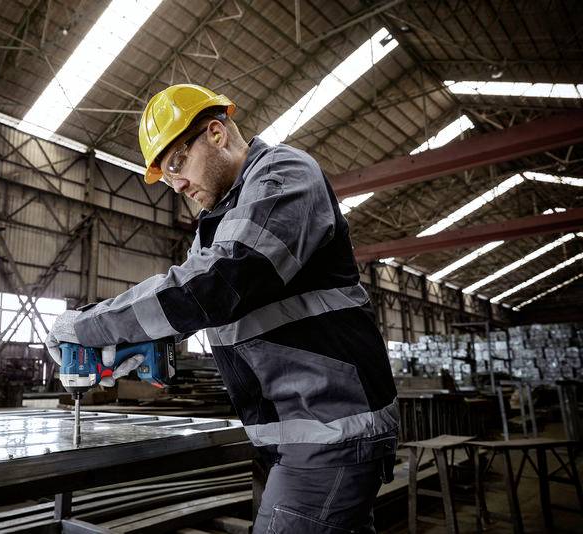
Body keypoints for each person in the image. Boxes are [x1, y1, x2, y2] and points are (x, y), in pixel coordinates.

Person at [46, 84, 399, 533]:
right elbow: (204, 307)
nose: (179, 185)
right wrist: (141, 343)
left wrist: (86, 325)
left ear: (215, 133)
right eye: (168, 177)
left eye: (177, 164)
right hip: (291, 436)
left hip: (330, 430)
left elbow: (218, 284)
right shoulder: (217, 223)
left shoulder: (284, 174)